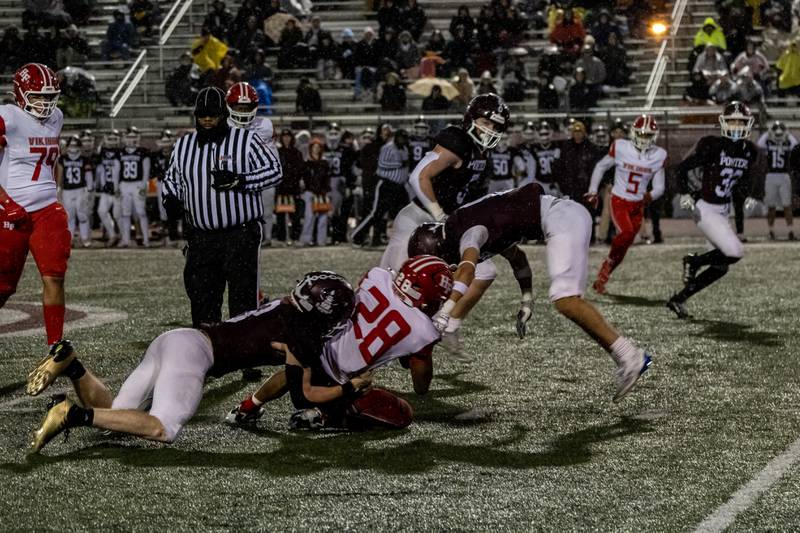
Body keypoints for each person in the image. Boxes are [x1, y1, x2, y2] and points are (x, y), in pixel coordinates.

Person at [28, 272, 356, 452]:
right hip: (193, 354)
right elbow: (302, 397)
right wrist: (350, 387)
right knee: (163, 428)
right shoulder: (301, 332)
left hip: (176, 339)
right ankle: (71, 414)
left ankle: (71, 364)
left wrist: (253, 402)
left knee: (115, 414)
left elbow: (286, 374)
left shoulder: (284, 308)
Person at [408, 183, 652, 402]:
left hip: (562, 218)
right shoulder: (467, 225)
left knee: (566, 300)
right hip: (562, 215)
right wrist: (527, 300)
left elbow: (467, 270)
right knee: (565, 299)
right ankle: (626, 358)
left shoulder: (464, 231)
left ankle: (630, 356)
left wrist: (446, 313)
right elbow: (518, 259)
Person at [227, 257, 452, 430]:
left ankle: (246, 408)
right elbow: (420, 387)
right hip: (341, 381)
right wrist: (427, 346)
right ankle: (325, 417)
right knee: (403, 414)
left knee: (297, 368)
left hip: (318, 348)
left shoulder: (377, 276)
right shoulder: (422, 330)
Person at [162, 87, 282, 328]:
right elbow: (171, 178)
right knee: (202, 299)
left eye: (213, 114)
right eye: (202, 114)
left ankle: (246, 354)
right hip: (201, 237)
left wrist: (242, 180)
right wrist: (171, 198)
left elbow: (274, 171)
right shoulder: (183, 145)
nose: (207, 119)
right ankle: (208, 353)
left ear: (223, 114)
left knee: (243, 300)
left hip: (240, 233)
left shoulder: (246, 140)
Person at [380, 93, 509, 274]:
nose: (490, 130)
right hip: (419, 218)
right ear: (471, 118)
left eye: (496, 126)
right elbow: (418, 177)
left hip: (445, 226)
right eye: (486, 123)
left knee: (483, 273)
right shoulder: (458, 140)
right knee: (391, 278)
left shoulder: (483, 155)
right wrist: (439, 216)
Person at [0, 63, 70, 348]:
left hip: (47, 209)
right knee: (4, 287)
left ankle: (56, 346)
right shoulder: (9, 116)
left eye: (50, 95)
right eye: (38, 96)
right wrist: (5, 201)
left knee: (55, 276)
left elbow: (53, 161)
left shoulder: (57, 118)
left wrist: (55, 192)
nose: (45, 102)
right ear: (21, 94)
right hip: (11, 211)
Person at [667, 102, 758, 319]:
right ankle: (693, 261)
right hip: (705, 208)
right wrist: (685, 192)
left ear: (748, 124)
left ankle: (678, 300)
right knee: (734, 252)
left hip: (722, 211)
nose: (736, 126)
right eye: (733, 121)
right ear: (724, 123)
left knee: (720, 267)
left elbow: (740, 186)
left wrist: (745, 207)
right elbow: (681, 168)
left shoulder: (750, 152)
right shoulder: (713, 145)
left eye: (741, 122)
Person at [585, 115, 667, 294]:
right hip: (619, 200)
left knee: (626, 243)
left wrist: (647, 197)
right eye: (642, 134)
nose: (644, 138)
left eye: (648, 135)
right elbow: (600, 166)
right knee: (627, 233)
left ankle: (602, 278)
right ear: (634, 133)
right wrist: (592, 190)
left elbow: (660, 187)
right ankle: (606, 265)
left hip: (638, 204)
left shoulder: (658, 155)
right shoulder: (621, 147)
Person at [225, 82, 278, 247]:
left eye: (247, 107)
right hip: (234, 174)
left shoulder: (264, 125)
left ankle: (266, 237)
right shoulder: (222, 126)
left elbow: (271, 155)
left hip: (261, 175)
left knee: (266, 210)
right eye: (239, 107)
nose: (243, 111)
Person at [350, 129, 410, 247]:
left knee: (405, 211)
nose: (402, 140)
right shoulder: (388, 147)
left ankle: (403, 239)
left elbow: (406, 166)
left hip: (399, 186)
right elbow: (381, 164)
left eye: (404, 138)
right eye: (400, 138)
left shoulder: (405, 149)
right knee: (376, 213)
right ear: (396, 137)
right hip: (386, 185)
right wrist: (399, 164)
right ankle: (357, 236)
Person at [756, 121, 796, 240]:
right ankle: (771, 231)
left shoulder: (788, 141)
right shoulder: (768, 141)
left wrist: (788, 134)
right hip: (771, 175)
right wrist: (769, 133)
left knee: (787, 205)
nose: (778, 135)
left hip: (783, 175)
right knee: (771, 206)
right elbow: (759, 144)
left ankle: (790, 231)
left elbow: (795, 144)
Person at [55, 135, 93, 248]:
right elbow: (60, 175)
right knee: (69, 216)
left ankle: (85, 238)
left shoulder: (84, 159)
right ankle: (70, 239)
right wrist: (59, 188)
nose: (73, 148)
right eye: (71, 145)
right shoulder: (63, 159)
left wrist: (90, 189)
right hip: (67, 190)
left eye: (75, 145)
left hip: (80, 189)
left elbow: (88, 175)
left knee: (82, 215)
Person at [118, 126, 151, 248]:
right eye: (129, 136)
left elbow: (146, 170)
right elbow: (117, 170)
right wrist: (117, 186)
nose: (131, 139)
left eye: (133, 136)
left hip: (137, 184)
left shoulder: (143, 151)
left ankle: (146, 240)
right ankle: (126, 240)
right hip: (125, 184)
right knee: (125, 214)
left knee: (141, 212)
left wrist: (144, 185)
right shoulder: (120, 152)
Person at [150, 129, 180, 246]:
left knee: (173, 209)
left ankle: (173, 236)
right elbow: (153, 171)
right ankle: (166, 237)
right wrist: (158, 173)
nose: (165, 144)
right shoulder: (156, 155)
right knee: (162, 210)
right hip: (161, 184)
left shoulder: (176, 153)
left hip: (174, 183)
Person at [275, 129, 305, 245]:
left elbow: (300, 169)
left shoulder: (297, 153)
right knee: (280, 215)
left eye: (288, 136)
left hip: (294, 187)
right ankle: (281, 238)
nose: (286, 138)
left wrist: (296, 180)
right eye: (284, 136)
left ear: (291, 138)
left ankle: (295, 237)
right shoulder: (277, 152)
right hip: (281, 187)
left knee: (295, 215)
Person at [299, 139, 331, 246]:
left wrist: (326, 191)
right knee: (309, 216)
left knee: (323, 217)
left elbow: (327, 178)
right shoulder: (307, 163)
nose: (316, 149)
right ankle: (306, 240)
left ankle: (321, 240)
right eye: (314, 147)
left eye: (318, 147)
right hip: (310, 192)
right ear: (311, 148)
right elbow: (306, 179)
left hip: (322, 193)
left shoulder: (325, 163)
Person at [95, 130, 122, 247]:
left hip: (119, 188)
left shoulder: (121, 152)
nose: (111, 141)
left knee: (118, 215)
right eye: (109, 139)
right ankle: (112, 235)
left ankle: (124, 237)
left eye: (114, 139)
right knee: (101, 211)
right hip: (106, 188)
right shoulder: (103, 152)